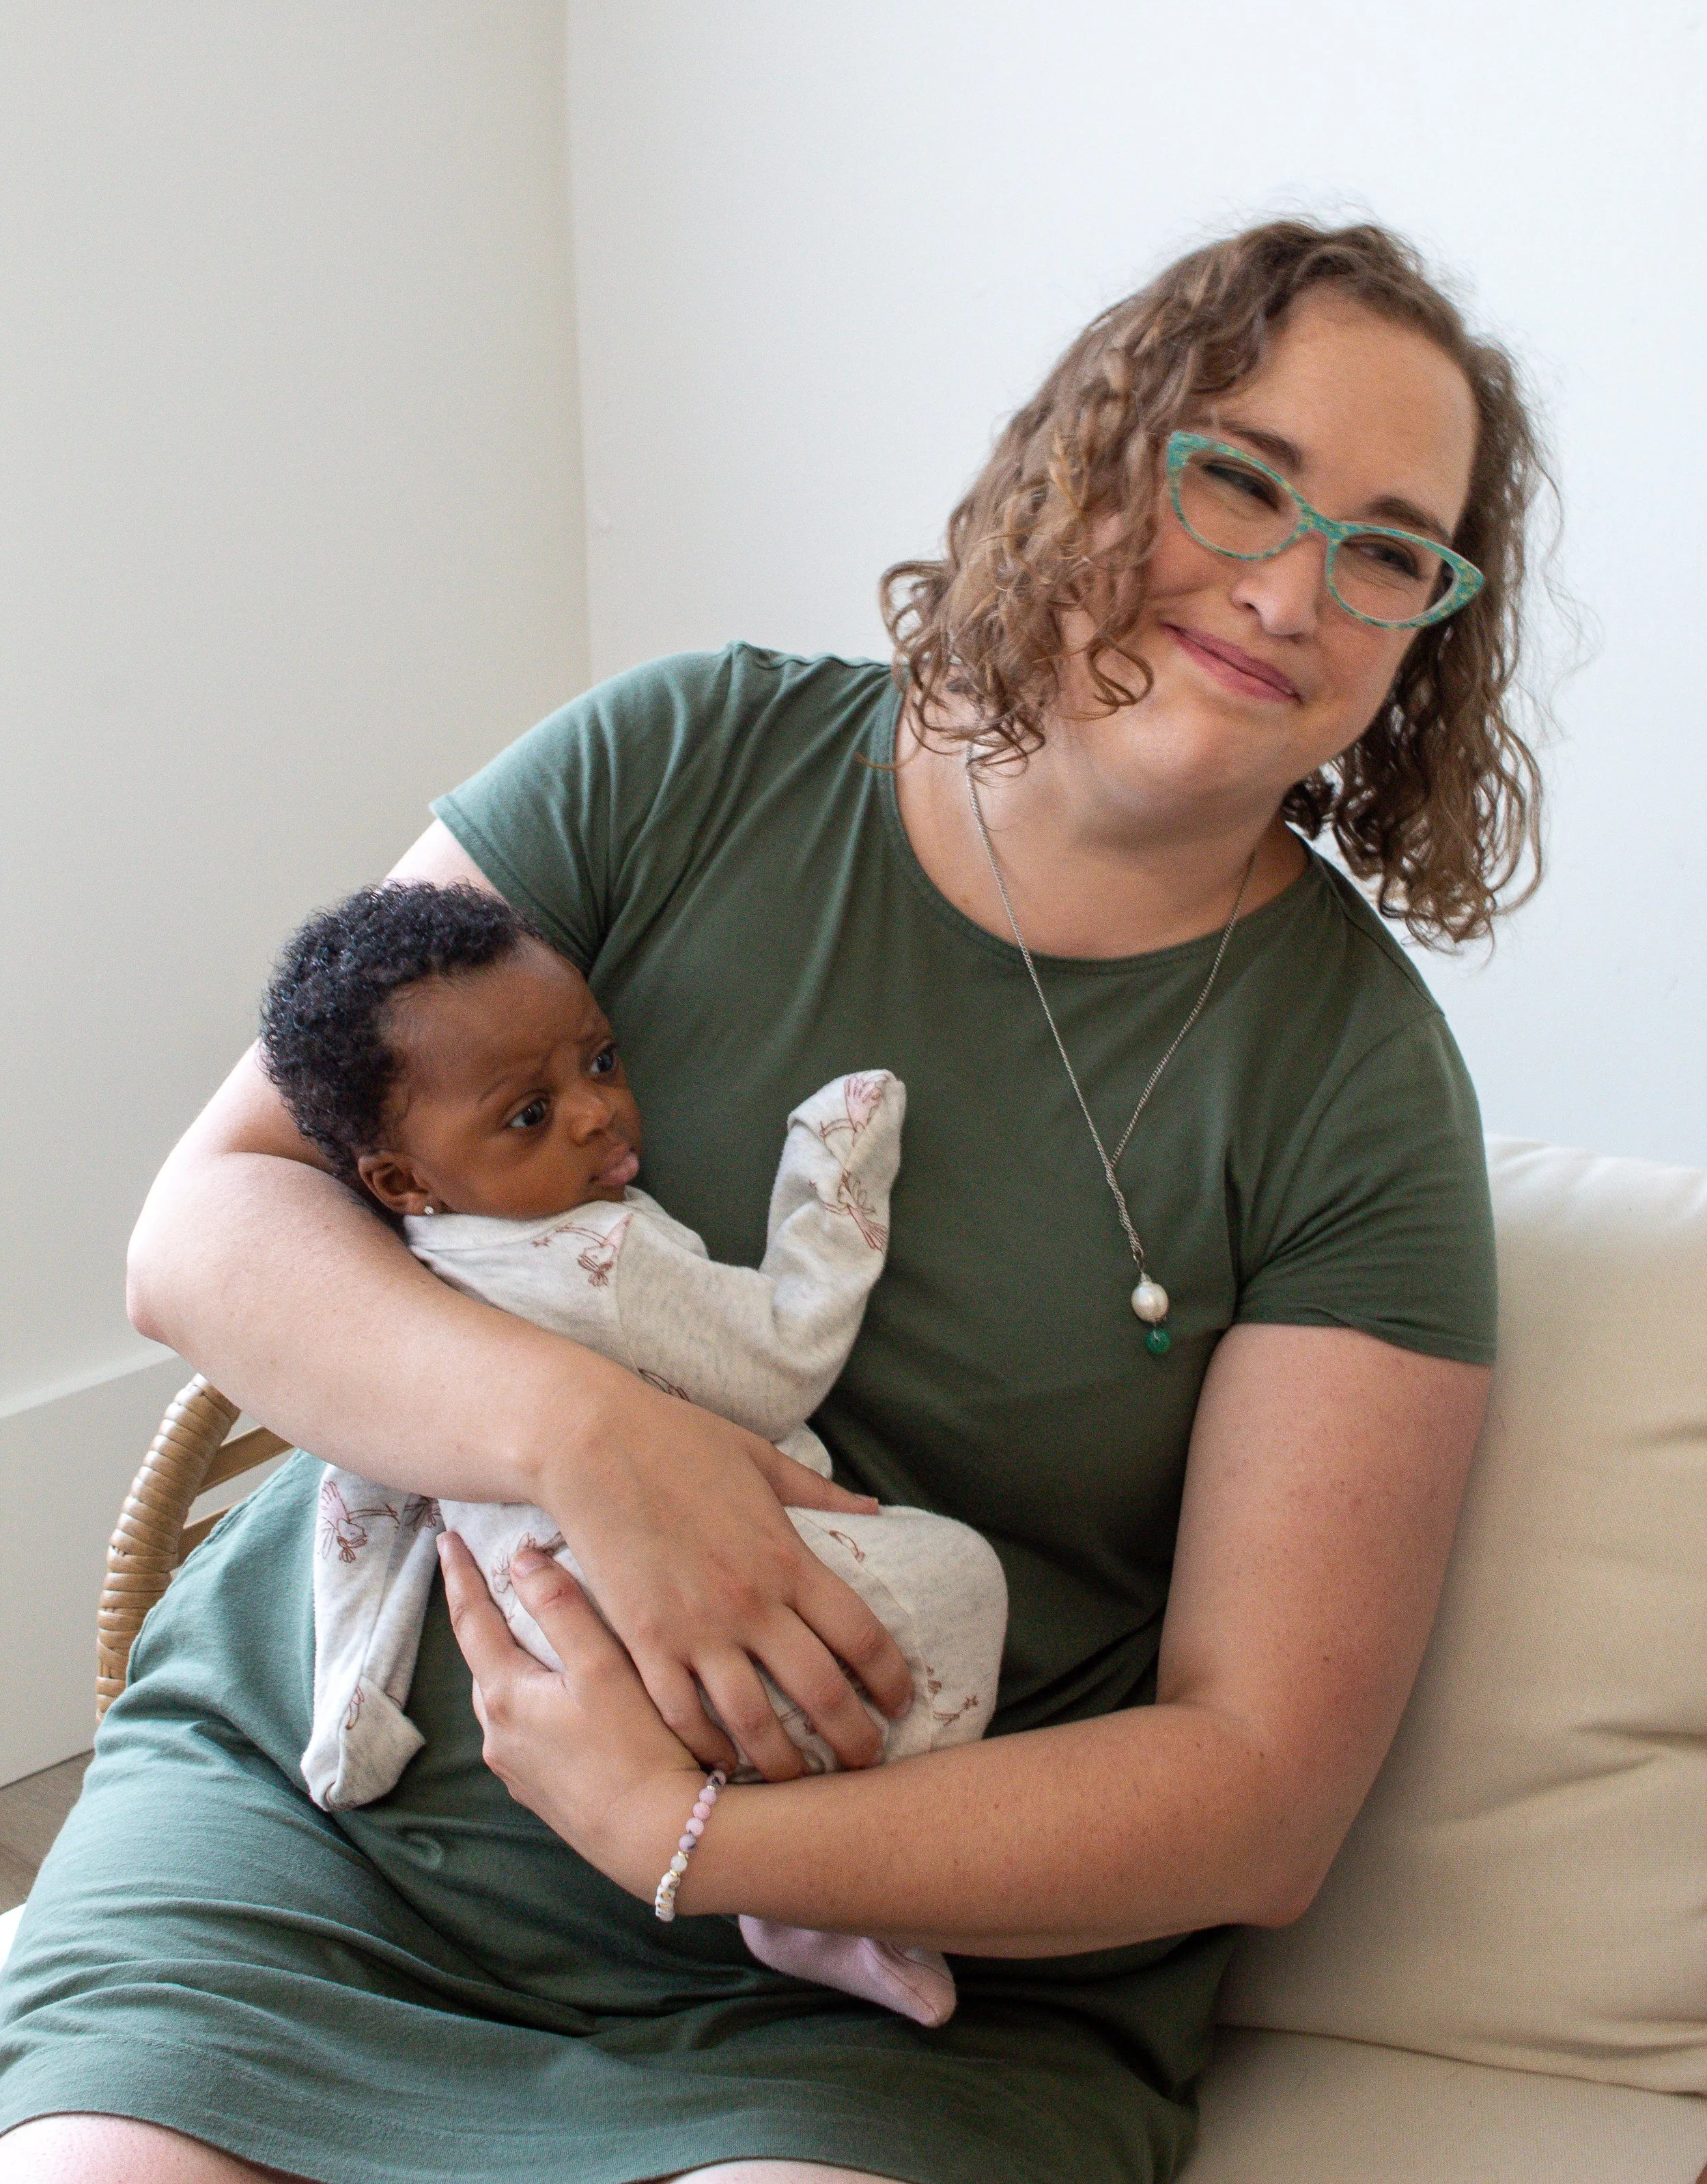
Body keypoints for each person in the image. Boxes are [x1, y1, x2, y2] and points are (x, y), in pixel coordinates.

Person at [0, 219, 1545, 2184]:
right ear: (1092, 452)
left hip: (870, 1983)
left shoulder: (1356, 1087)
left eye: (1388, 546)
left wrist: (691, 1836)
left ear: (1424, 633)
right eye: (1235, 473)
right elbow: (211, 1222)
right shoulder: (688, 753)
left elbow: (1257, 1792)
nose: (1285, 583)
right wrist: (599, 1442)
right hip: (332, 1834)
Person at [258, 878, 1003, 2026]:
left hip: (556, 1653)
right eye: (527, 1115)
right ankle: (817, 1886)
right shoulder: (596, 1260)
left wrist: (355, 1705)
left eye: (600, 1063)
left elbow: (363, 1511)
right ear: (402, 1178)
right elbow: (781, 1358)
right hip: (703, 1621)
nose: (599, 1114)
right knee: (958, 1579)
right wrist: (834, 1169)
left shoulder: (404, 1305)